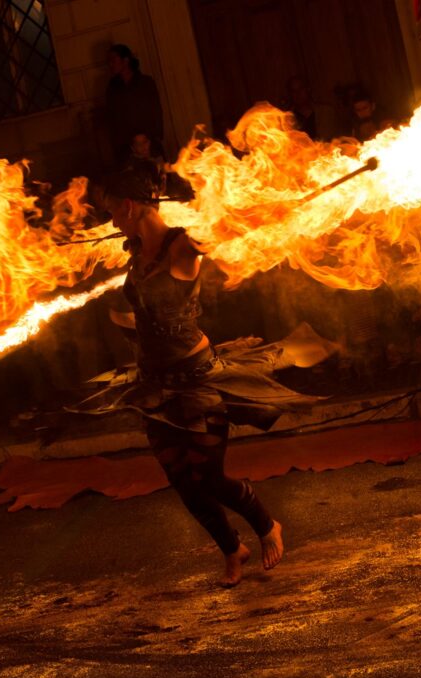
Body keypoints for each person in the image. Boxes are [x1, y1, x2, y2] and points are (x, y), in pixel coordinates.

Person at [75, 167, 328, 588]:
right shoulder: (136, 252)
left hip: (196, 382)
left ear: (130, 206)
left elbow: (224, 235)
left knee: (209, 476)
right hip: (155, 383)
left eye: (112, 213)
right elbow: (138, 310)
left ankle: (267, 527)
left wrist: (263, 212)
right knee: (180, 479)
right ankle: (232, 549)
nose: (111, 222)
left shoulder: (182, 247)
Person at [105, 44, 164, 166]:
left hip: (148, 141)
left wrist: (153, 138)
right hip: (126, 145)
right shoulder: (113, 88)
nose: (110, 64)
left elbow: (156, 111)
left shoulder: (145, 82)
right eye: (108, 61)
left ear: (125, 60)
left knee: (157, 173)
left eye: (113, 60)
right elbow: (112, 117)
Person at [285, 76, 335, 141]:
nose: (298, 94)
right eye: (293, 91)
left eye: (301, 89)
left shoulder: (325, 112)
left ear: (308, 89)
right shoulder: (287, 119)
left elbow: (334, 138)